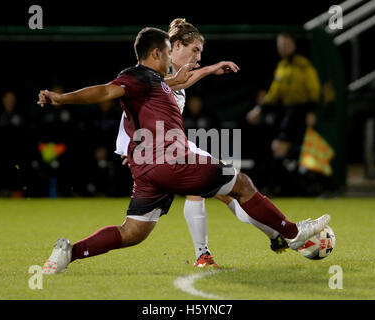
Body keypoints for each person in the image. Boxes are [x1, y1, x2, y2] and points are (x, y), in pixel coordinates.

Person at [38, 27, 330, 274]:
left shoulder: (156, 81)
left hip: (147, 169)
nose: (169, 59)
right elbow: (104, 91)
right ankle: (291, 234)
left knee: (132, 233)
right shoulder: (137, 76)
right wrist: (61, 99)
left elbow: (179, 80)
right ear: (156, 54)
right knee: (240, 183)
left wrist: (210, 70)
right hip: (170, 159)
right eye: (166, 52)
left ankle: (68, 253)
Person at [115, 19, 289, 269]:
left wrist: (209, 69)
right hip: (162, 152)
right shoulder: (151, 74)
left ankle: (275, 235)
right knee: (208, 188)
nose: (198, 56)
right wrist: (128, 146)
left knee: (232, 193)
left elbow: (180, 83)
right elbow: (129, 113)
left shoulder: (172, 76)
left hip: (173, 146)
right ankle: (204, 254)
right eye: (194, 50)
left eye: (200, 52)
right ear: (173, 47)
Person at [246, 33, 321, 195]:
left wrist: (311, 111)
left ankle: (285, 187)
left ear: (294, 45)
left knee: (283, 147)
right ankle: (279, 187)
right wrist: (259, 109)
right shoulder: (282, 66)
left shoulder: (303, 65)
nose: (283, 48)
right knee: (278, 148)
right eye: (280, 44)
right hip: (286, 111)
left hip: (300, 111)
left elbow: (313, 90)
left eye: (286, 44)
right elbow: (274, 93)